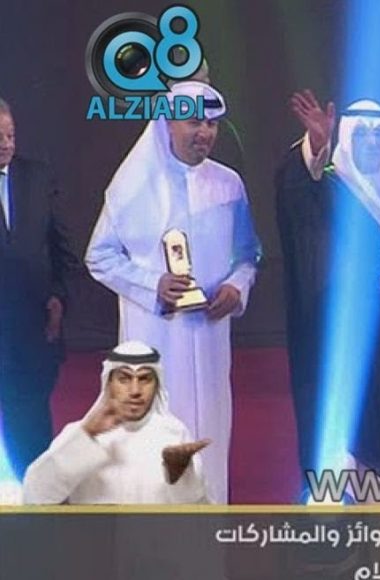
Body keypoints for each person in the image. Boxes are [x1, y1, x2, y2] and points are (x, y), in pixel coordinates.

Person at [86, 81, 261, 504]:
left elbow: (248, 254)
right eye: (194, 122)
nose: (204, 132)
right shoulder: (134, 184)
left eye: (211, 124)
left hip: (210, 339)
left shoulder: (228, 183)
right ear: (167, 124)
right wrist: (153, 285)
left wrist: (236, 287)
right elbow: (99, 256)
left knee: (209, 441)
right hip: (156, 339)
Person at [276, 91, 380, 503]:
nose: (371, 142)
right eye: (361, 134)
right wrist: (315, 144)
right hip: (344, 350)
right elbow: (294, 193)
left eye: (379, 134)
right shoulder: (326, 188)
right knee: (347, 455)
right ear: (347, 139)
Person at [22, 341, 210, 504]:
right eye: (124, 379)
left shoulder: (174, 433)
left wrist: (181, 475)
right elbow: (36, 496)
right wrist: (86, 434)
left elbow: (198, 514)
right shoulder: (78, 433)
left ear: (157, 385)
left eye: (144, 379)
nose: (135, 390)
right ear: (109, 383)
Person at [0, 97, 80, 480]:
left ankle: (38, 496)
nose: (6, 144)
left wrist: (59, 297)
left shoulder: (37, 177)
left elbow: (63, 247)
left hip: (33, 328)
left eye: (10, 136)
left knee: (31, 426)